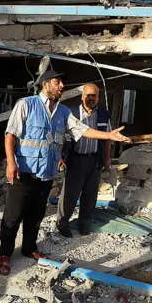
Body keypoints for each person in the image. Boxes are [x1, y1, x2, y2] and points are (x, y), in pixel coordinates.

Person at [0, 70, 131, 276]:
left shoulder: (62, 112)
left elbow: (81, 130)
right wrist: (10, 162)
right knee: (13, 216)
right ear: (45, 85)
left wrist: (108, 135)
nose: (62, 86)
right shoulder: (26, 104)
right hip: (23, 172)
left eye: (62, 83)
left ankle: (29, 248)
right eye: (57, 82)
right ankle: (5, 254)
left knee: (36, 216)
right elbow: (10, 134)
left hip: (46, 174)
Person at [57, 84, 111, 237]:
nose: (91, 98)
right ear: (82, 96)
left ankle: (84, 223)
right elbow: (62, 136)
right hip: (76, 160)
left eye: (94, 95)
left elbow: (107, 139)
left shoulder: (103, 115)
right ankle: (63, 224)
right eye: (88, 95)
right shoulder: (71, 113)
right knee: (69, 195)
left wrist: (107, 159)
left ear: (98, 98)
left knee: (90, 195)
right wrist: (59, 156)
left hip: (94, 160)